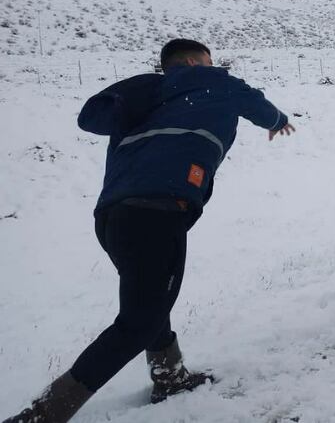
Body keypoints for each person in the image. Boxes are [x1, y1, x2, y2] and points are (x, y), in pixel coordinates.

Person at [4, 39, 295, 423]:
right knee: (138, 322)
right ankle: (42, 415)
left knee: (152, 299)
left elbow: (91, 117)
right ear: (193, 62)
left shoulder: (147, 95)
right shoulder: (214, 83)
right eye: (208, 61)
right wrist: (278, 120)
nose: (214, 66)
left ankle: (169, 376)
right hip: (158, 214)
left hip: (113, 216)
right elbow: (257, 104)